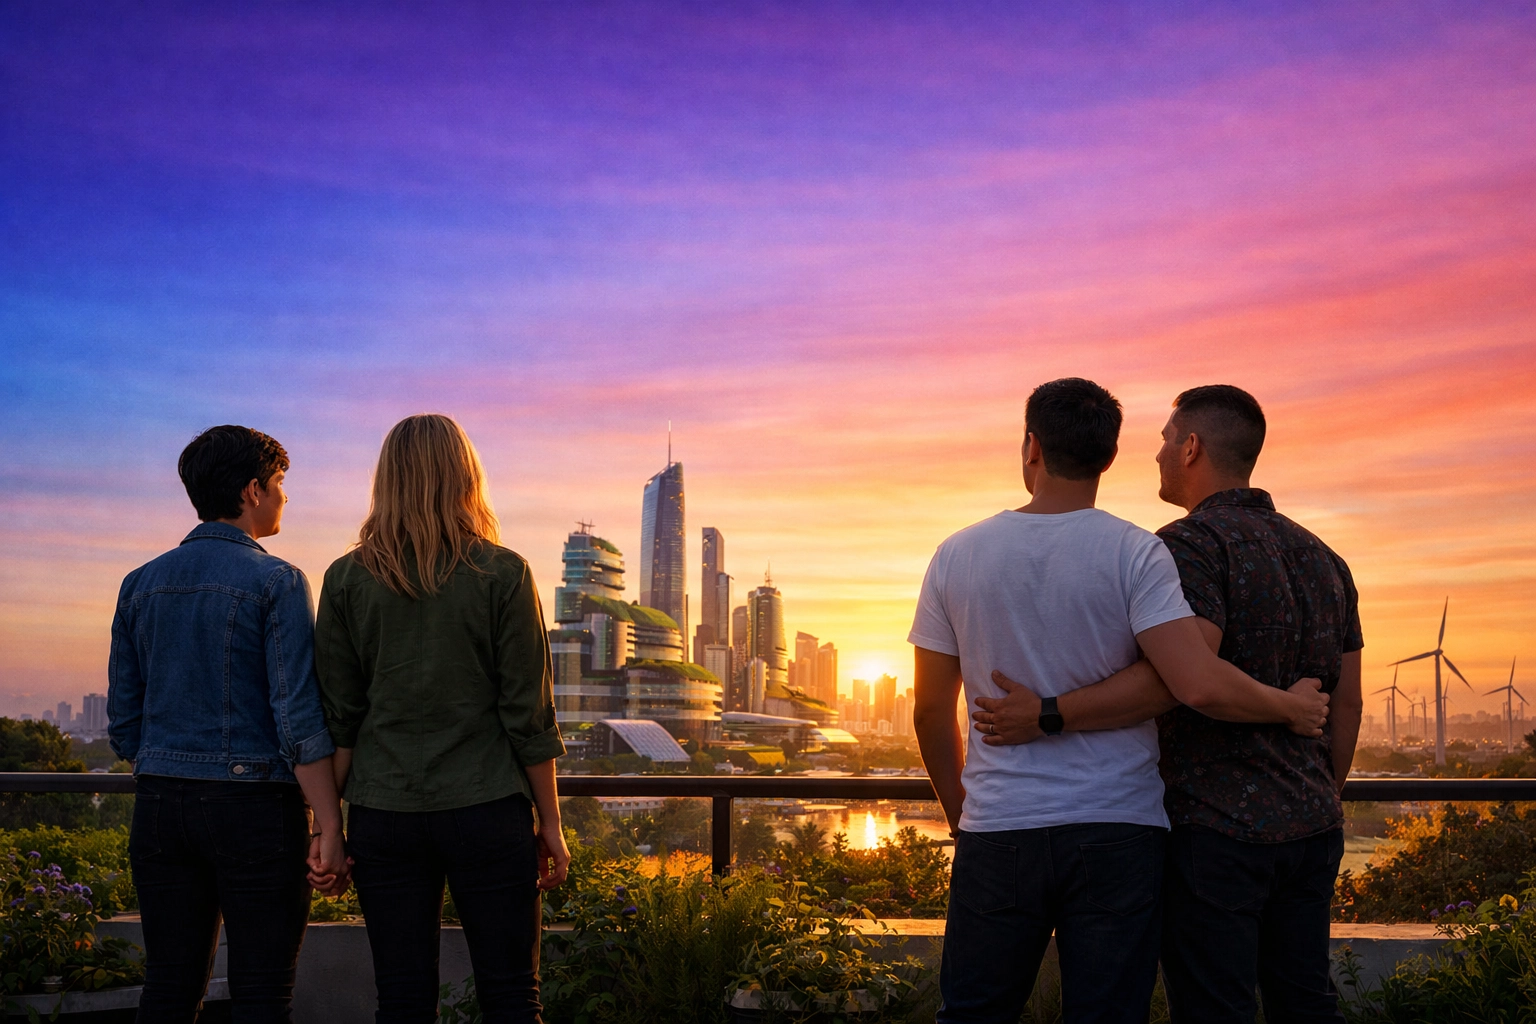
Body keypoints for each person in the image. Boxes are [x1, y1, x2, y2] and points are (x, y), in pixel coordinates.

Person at [910, 378, 1331, 1024]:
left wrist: (965, 815)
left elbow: (930, 711)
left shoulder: (957, 555)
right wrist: (1288, 705)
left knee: (971, 1014)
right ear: (1108, 457)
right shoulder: (1140, 552)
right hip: (1119, 832)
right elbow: (1184, 679)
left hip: (1001, 831)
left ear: (1031, 449)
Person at [314, 413, 569, 1024]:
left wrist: (328, 827)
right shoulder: (503, 573)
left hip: (384, 814)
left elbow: (339, 722)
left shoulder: (346, 579)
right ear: (466, 476)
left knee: (401, 1000)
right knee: (512, 996)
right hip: (487, 810)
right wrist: (552, 824)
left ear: (387, 481)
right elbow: (527, 716)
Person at [108, 425, 348, 1024]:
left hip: (160, 805)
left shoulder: (139, 584)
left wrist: (169, 759)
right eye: (280, 484)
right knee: (262, 994)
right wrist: (328, 824)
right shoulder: (278, 581)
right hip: (255, 812)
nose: (285, 498)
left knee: (168, 987)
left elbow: (123, 725)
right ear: (252, 490)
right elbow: (297, 720)